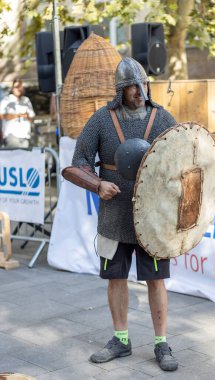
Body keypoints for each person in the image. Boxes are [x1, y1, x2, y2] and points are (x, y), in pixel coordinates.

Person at [71, 57, 178, 371]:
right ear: (120, 89)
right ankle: (120, 339)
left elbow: (181, 158)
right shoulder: (102, 120)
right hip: (115, 212)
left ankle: (161, 343)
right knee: (115, 278)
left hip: (152, 214)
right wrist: (98, 183)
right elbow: (78, 163)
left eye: (141, 84)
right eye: (131, 86)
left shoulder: (162, 117)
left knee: (156, 280)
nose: (138, 90)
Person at [0, 78, 35, 148]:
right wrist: (18, 115)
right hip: (12, 135)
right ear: (13, 89)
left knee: (24, 158)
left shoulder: (26, 100)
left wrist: (27, 116)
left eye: (20, 87)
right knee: (14, 158)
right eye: (16, 87)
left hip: (25, 136)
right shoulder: (7, 100)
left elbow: (32, 117)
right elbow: (1, 116)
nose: (18, 89)